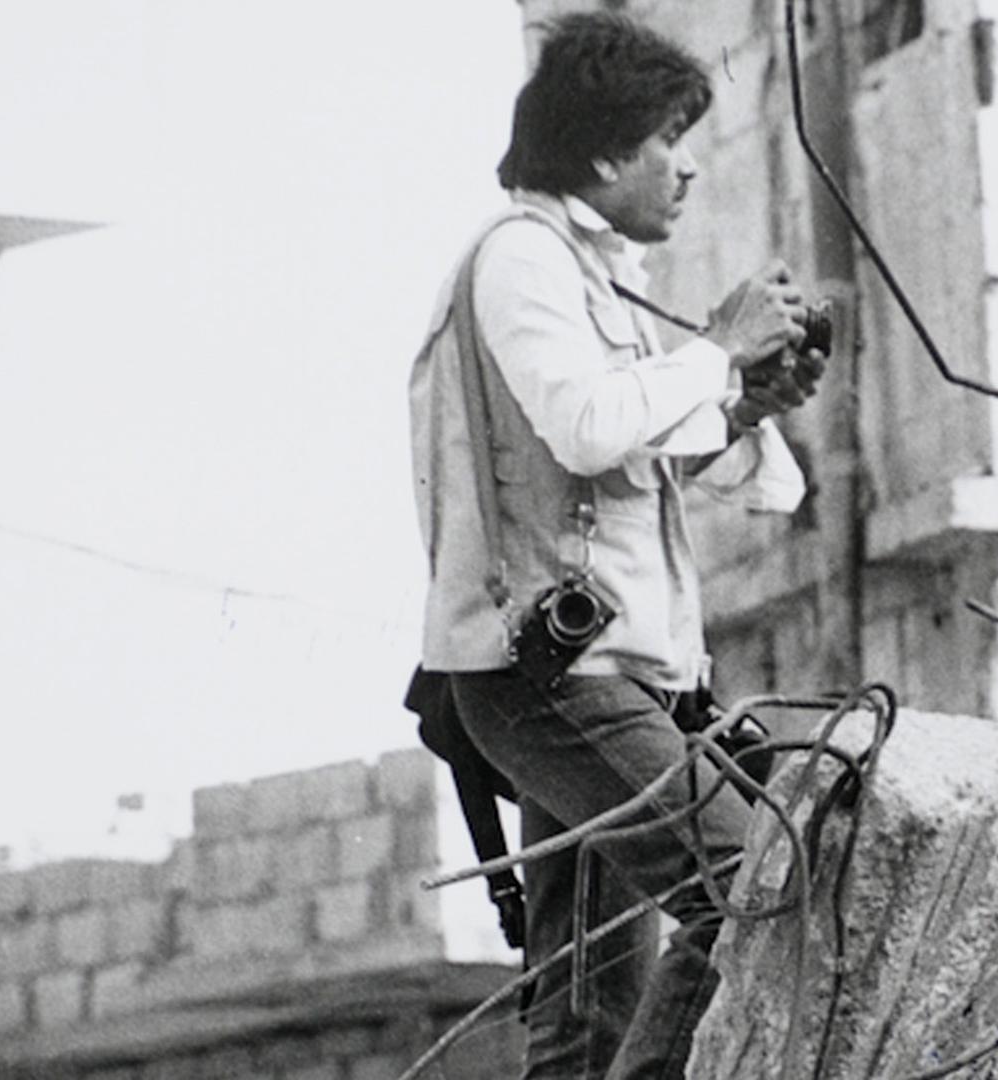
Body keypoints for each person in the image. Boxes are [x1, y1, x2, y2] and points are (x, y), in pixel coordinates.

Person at [406, 12, 826, 1079]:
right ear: (600, 153)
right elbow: (588, 423)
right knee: (757, 889)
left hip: (595, 675)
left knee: (588, 1009)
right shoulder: (524, 261)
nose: (685, 169)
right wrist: (719, 350)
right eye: (665, 142)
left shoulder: (592, 273)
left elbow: (631, 459)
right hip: (553, 678)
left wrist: (738, 404)